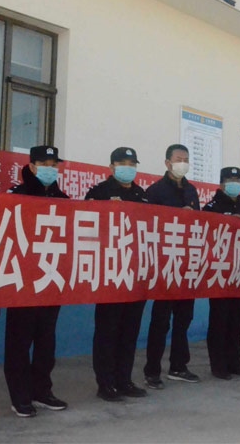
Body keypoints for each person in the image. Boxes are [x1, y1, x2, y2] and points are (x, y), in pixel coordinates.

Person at [5, 146, 69, 417]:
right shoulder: (16, 195)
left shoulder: (63, 199)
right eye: (44, 164)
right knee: (19, 342)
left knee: (46, 341)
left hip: (51, 280)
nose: (50, 169)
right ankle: (20, 396)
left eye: (54, 165)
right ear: (32, 166)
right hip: (22, 280)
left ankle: (42, 391)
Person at [85, 147, 149, 402]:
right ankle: (105, 383)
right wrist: (106, 210)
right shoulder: (98, 193)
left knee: (130, 331)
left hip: (135, 273)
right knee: (107, 331)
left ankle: (124, 380)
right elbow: (86, 226)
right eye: (122, 163)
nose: (128, 168)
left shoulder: (142, 196)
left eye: (132, 164)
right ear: (111, 167)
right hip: (110, 273)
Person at [143, 144, 201, 389]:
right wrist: (177, 214)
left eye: (186, 159)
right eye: (178, 159)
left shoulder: (191, 190)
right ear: (167, 163)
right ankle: (152, 371)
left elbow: (199, 224)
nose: (182, 163)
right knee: (160, 321)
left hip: (186, 264)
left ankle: (178, 366)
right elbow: (148, 223)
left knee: (183, 319)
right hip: (165, 265)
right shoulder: (155, 191)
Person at [203, 167, 240, 380]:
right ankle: (218, 365)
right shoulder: (212, 207)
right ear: (222, 183)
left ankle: (235, 362)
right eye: (231, 180)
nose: (235, 183)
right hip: (219, 271)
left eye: (238, 180)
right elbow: (204, 232)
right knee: (220, 320)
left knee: (237, 320)